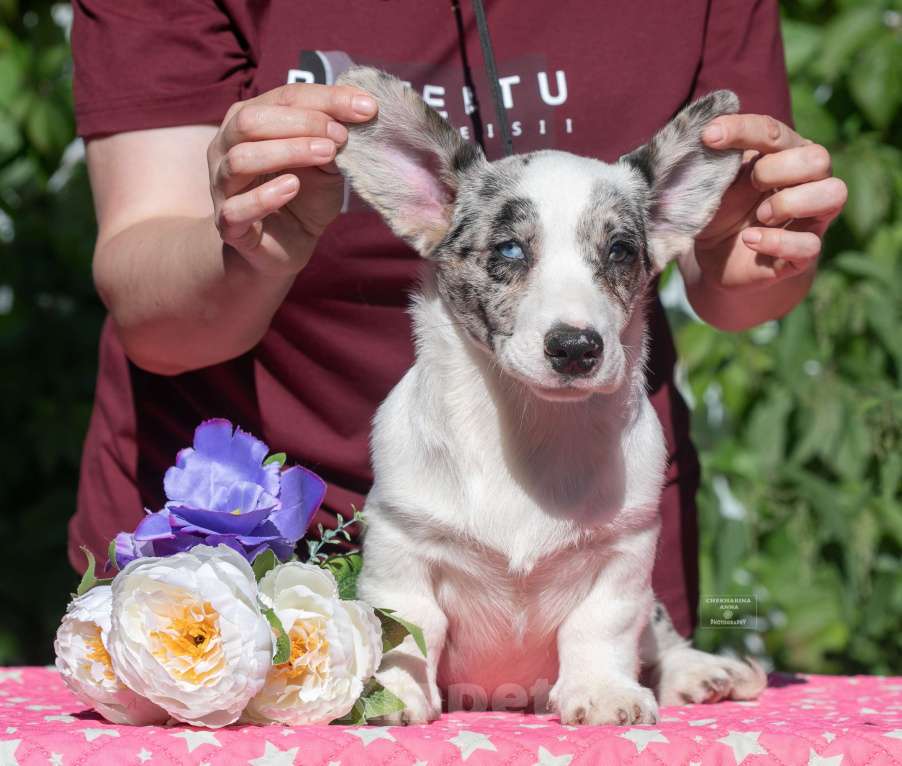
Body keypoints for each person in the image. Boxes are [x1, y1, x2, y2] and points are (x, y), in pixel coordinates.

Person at [69, 0, 846, 637]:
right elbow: (155, 317)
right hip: (243, 561)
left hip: (588, 565)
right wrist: (252, 247)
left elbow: (730, 275)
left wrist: (756, 261)